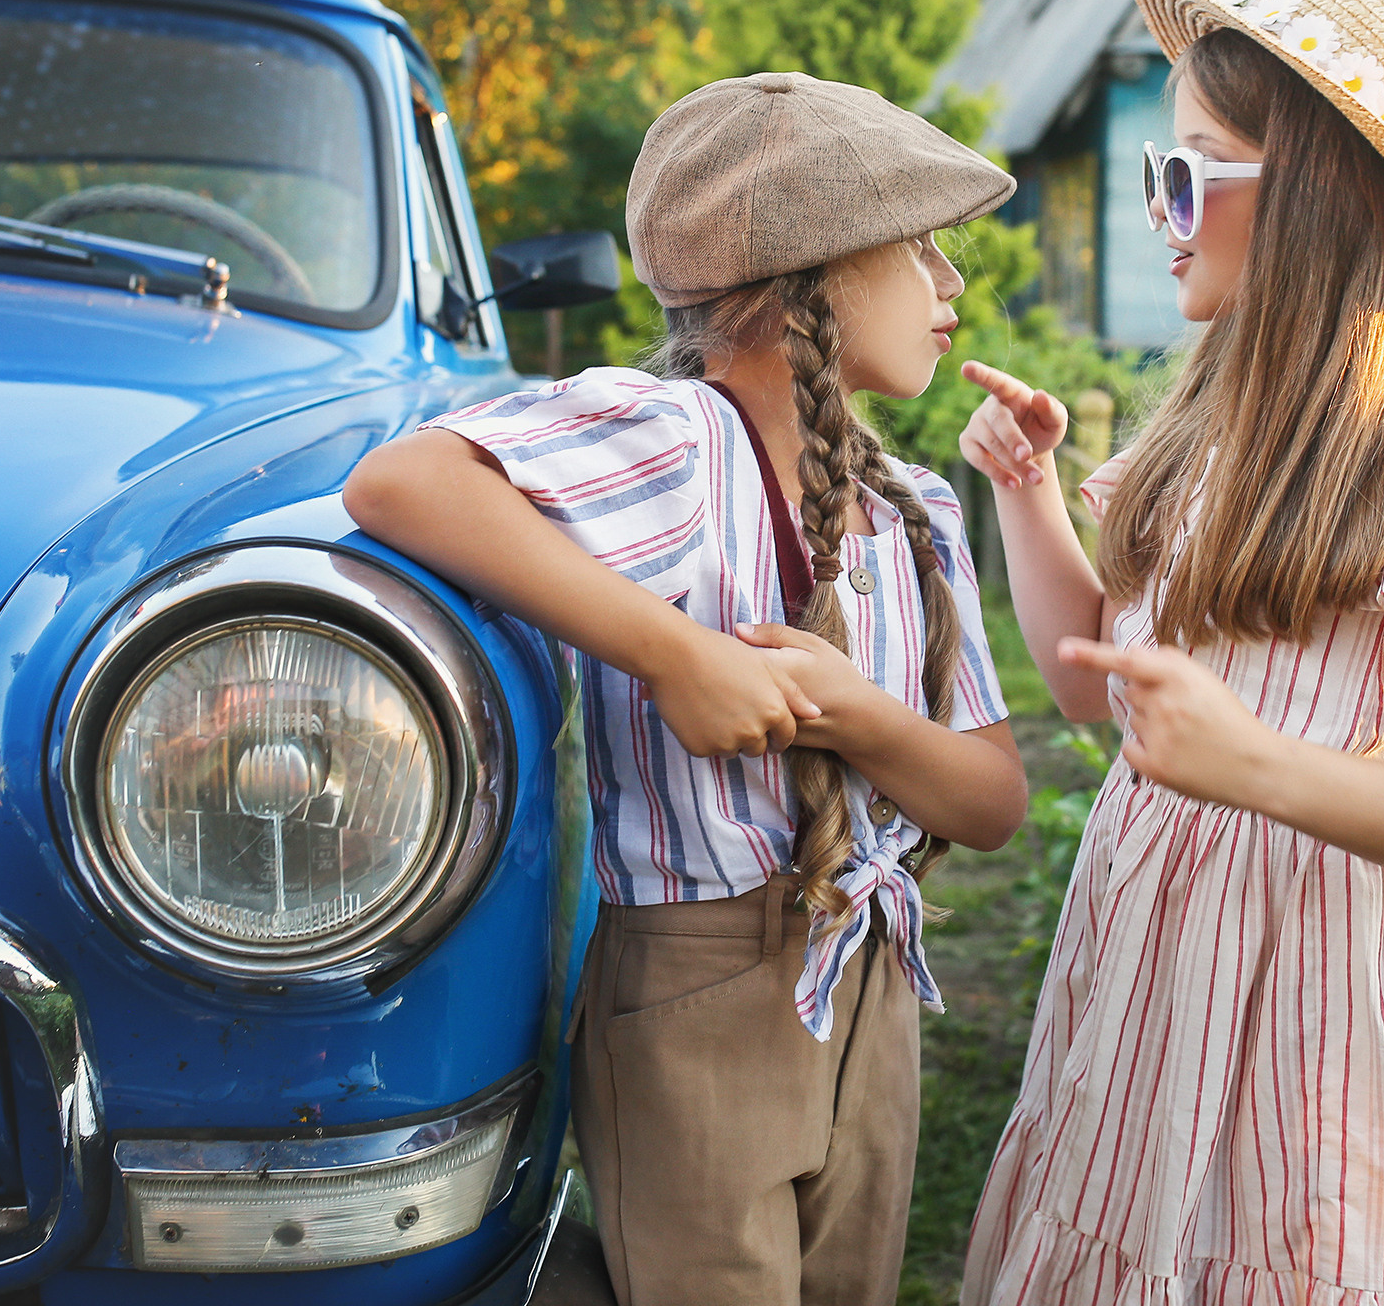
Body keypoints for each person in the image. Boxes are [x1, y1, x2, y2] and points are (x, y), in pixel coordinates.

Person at [953, 0, 1384, 1306]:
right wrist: (1024, 496)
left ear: (1308, 197)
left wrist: (1255, 767)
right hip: (1151, 956)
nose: (1158, 211)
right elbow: (1094, 690)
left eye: (1186, 173)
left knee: (1288, 1251)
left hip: (1323, 981)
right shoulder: (1202, 420)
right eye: (1155, 174)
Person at [345, 71, 1030, 1306]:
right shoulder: (675, 442)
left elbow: (989, 802)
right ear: (804, 281)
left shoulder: (917, 515)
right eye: (918, 247)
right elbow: (402, 485)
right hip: (695, 987)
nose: (952, 284)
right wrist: (679, 653)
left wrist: (854, 714)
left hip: (866, 980)